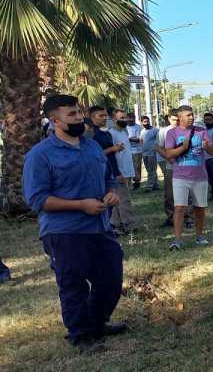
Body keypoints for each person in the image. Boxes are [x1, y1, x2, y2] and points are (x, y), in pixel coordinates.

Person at [22, 94, 128, 352]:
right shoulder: (40, 155)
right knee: (73, 285)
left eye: (79, 113)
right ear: (55, 120)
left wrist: (111, 192)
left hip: (100, 227)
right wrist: (81, 205)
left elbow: (108, 178)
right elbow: (37, 199)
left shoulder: (91, 146)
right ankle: (80, 335)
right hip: (64, 232)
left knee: (110, 279)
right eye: (72, 115)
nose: (79, 118)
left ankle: (96, 322)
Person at [163, 106, 213, 250]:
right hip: (180, 177)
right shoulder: (172, 133)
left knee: (199, 209)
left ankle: (199, 237)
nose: (191, 117)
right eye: (188, 115)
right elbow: (169, 155)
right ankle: (177, 240)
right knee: (179, 208)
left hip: (200, 177)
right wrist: (183, 148)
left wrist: (207, 147)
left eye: (192, 115)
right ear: (180, 117)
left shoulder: (201, 131)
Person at [108, 110, 138, 235]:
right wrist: (117, 172)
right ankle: (127, 225)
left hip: (127, 171)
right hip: (119, 173)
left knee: (120, 199)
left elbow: (127, 153)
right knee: (123, 200)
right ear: (114, 119)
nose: (125, 120)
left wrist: (133, 170)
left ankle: (118, 225)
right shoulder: (111, 134)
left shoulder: (124, 132)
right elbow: (111, 155)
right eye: (121, 118)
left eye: (125, 118)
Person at [87, 106, 122, 182]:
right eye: (101, 116)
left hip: (113, 171)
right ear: (92, 117)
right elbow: (91, 155)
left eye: (105, 115)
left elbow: (111, 155)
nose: (105, 118)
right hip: (99, 174)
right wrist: (112, 149)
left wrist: (117, 172)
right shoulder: (90, 134)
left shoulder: (107, 133)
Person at [140, 116, 160, 191]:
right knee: (149, 170)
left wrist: (156, 149)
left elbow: (159, 140)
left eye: (147, 121)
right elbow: (141, 140)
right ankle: (156, 185)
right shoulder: (142, 131)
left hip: (152, 153)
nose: (146, 123)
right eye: (144, 122)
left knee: (151, 170)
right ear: (141, 122)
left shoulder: (155, 130)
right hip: (145, 154)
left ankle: (149, 186)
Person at [127, 113, 144, 190]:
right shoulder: (124, 127)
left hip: (136, 151)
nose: (130, 120)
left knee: (136, 167)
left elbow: (138, 140)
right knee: (128, 167)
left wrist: (129, 139)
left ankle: (137, 182)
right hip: (127, 151)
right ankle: (129, 183)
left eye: (132, 119)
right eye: (129, 119)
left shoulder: (138, 127)